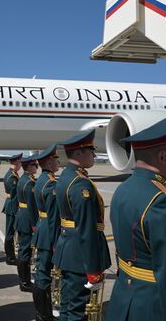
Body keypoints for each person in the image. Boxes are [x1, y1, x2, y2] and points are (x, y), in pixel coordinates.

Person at [106, 115, 166, 321]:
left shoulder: (123, 189)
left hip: (125, 297)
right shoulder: (163, 202)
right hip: (154, 306)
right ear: (162, 157)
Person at [52, 130, 111, 321]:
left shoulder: (67, 176)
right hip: (80, 255)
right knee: (78, 310)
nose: (94, 155)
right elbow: (86, 229)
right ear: (78, 153)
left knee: (68, 307)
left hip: (69, 250)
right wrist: (93, 270)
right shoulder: (80, 184)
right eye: (90, 150)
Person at [31, 144, 60, 321]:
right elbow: (54, 218)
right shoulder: (51, 184)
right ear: (49, 162)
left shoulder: (42, 180)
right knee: (43, 275)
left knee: (42, 272)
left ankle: (42, 312)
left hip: (42, 228)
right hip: (48, 232)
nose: (58, 162)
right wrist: (56, 243)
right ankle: (44, 314)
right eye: (56, 159)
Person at [14, 154, 39, 292]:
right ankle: (24, 282)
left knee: (24, 251)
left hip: (21, 216)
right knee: (25, 251)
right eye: (35, 165)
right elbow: (32, 207)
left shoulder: (23, 179)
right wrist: (35, 225)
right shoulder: (29, 183)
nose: (36, 167)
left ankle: (24, 279)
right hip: (27, 218)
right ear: (28, 166)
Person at [2, 153, 22, 265]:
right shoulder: (12, 176)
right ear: (16, 162)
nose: (20, 165)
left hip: (10, 205)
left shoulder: (12, 174)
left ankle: (11, 255)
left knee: (10, 232)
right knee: (10, 233)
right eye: (20, 162)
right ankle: (10, 257)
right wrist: (17, 210)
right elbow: (15, 196)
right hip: (12, 206)